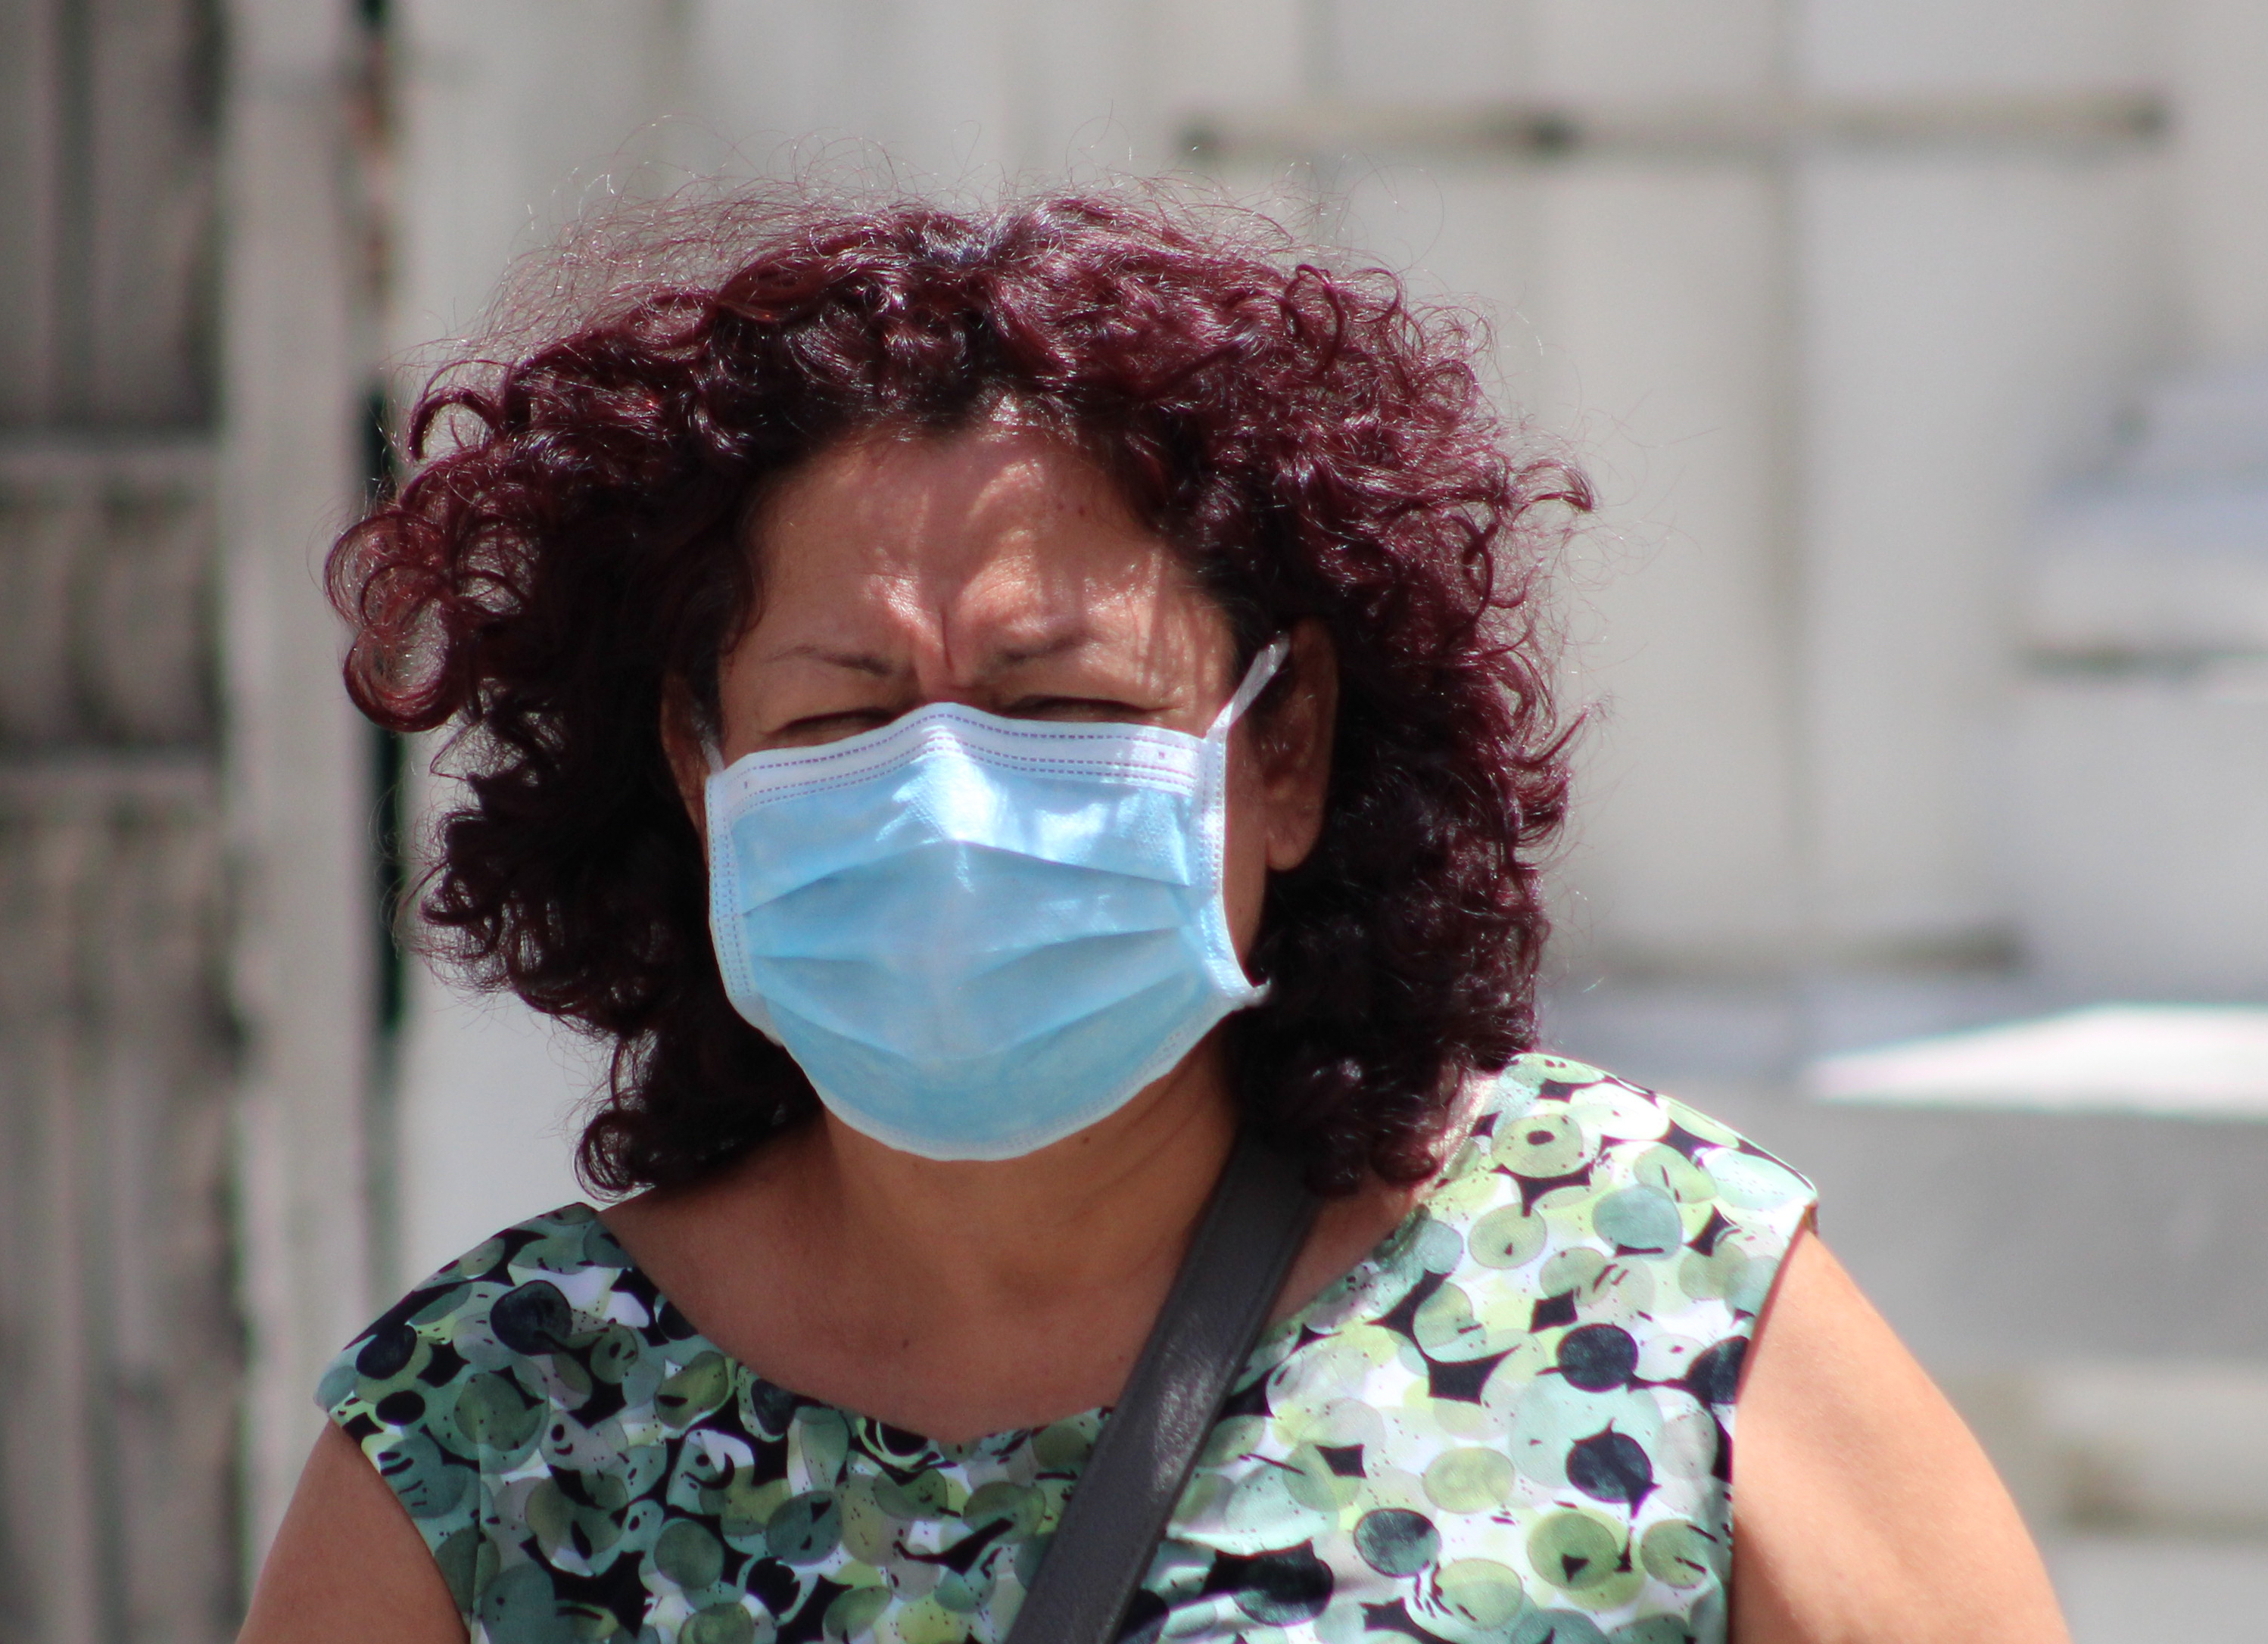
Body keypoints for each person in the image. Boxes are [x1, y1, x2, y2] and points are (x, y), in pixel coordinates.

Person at [241, 189, 2067, 1644]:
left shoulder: (1641, 1286)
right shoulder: (490, 1438)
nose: (946, 801)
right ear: (695, 767)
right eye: (836, 722)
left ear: (1284, 749)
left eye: (1058, 707)